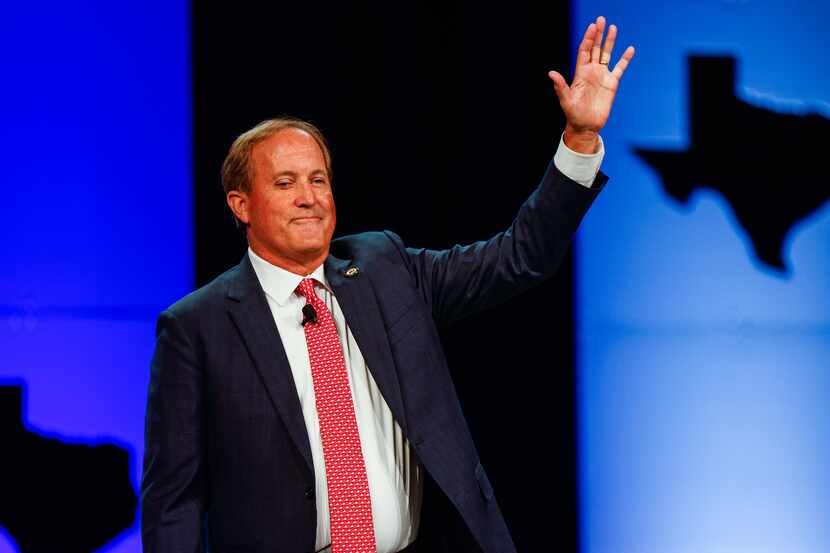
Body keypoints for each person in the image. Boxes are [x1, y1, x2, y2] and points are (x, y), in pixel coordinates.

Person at [141, 15, 634, 553]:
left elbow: (520, 258)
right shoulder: (198, 326)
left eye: (318, 179)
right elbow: (175, 501)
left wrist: (580, 138)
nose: (309, 197)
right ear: (242, 206)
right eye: (285, 183)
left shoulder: (385, 267)